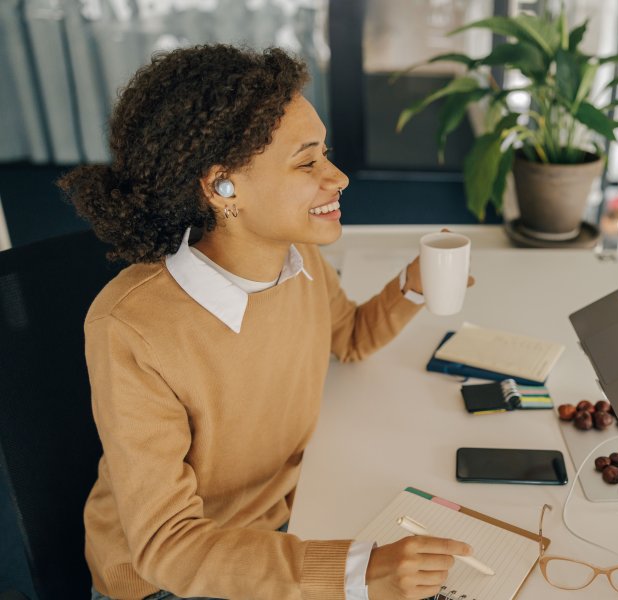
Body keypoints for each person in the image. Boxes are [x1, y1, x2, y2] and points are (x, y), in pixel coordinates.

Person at [59, 45, 472, 600]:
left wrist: (414, 285)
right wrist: (355, 572)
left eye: (326, 154)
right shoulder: (132, 327)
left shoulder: (299, 259)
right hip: (171, 579)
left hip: (282, 527)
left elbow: (349, 337)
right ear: (221, 187)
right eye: (307, 162)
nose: (339, 177)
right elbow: (167, 545)